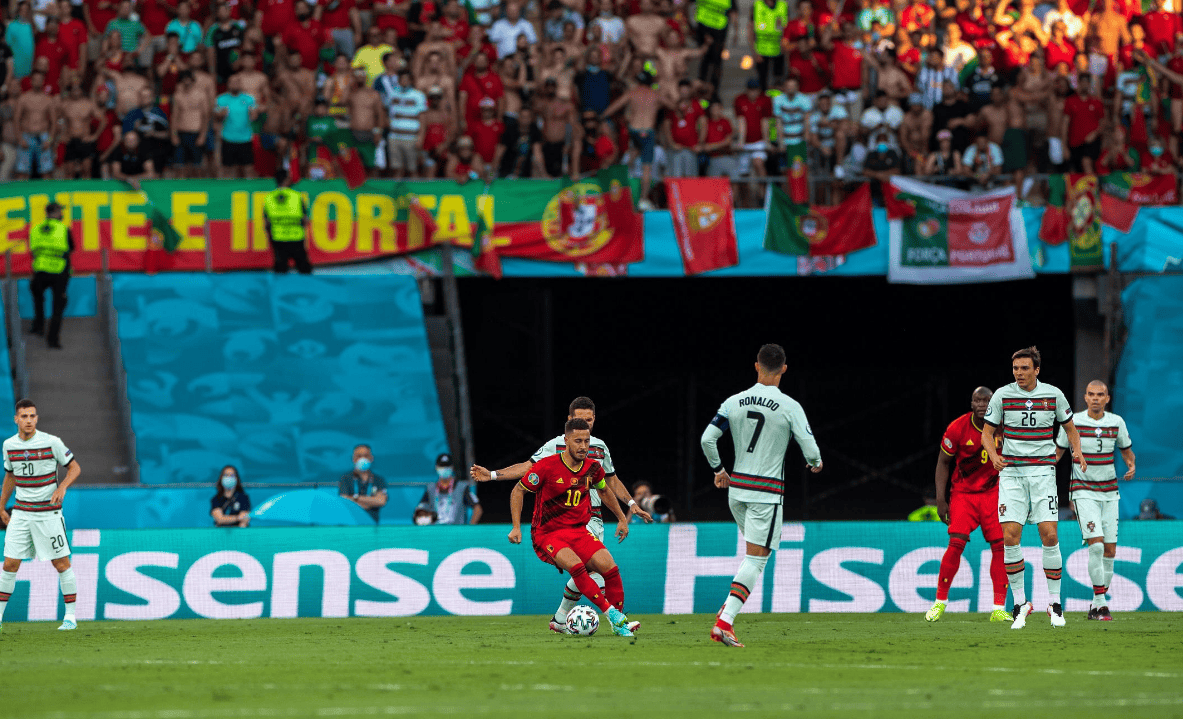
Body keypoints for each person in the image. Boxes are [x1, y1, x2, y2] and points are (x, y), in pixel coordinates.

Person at [471, 396, 650, 633]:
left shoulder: (597, 453)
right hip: (553, 528)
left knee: (606, 569)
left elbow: (608, 484)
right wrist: (494, 476)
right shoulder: (551, 453)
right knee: (584, 570)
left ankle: (584, 620)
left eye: (589, 421)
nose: (584, 442)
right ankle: (611, 617)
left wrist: (626, 509)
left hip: (587, 520)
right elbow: (526, 472)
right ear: (568, 424)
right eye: (579, 423)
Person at [701, 343, 822, 647]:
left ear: (756, 365)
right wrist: (816, 462)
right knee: (756, 559)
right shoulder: (789, 405)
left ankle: (726, 610)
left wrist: (719, 470)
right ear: (784, 369)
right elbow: (810, 448)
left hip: (737, 491)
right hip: (765, 494)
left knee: (755, 556)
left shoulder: (734, 401)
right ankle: (724, 622)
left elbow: (707, 439)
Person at [982, 346, 1086, 630]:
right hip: (1012, 474)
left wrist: (1077, 451)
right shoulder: (1002, 395)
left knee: (1049, 534)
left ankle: (1054, 604)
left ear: (1036, 370)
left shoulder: (1053, 394)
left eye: (1025, 368)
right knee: (1010, 536)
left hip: (1042, 473)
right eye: (1015, 368)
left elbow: (1070, 428)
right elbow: (987, 433)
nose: (1019, 373)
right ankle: (1020, 604)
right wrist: (993, 455)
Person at [507, 417, 636, 637]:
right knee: (577, 568)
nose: (583, 446)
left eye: (586, 441)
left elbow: (604, 490)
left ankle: (618, 624)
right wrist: (516, 527)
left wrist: (622, 518)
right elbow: (518, 490)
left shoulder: (593, 468)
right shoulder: (546, 466)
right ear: (566, 441)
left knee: (611, 569)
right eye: (578, 441)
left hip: (578, 531)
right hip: (548, 533)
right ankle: (612, 614)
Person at [925, 387, 1011, 623]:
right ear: (971, 403)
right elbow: (943, 463)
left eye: (986, 400)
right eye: (977, 400)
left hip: (994, 493)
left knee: (1000, 546)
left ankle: (998, 608)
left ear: (994, 403)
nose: (982, 404)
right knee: (956, 543)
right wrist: (941, 500)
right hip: (964, 494)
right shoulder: (957, 428)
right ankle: (940, 602)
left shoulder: (1005, 426)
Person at [0, 398, 83, 632]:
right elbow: (10, 476)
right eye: (24, 416)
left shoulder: (51, 442)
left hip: (48, 514)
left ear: (37, 418)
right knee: (10, 564)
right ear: (16, 419)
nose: (29, 420)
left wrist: (62, 487)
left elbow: (75, 467)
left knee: (61, 563)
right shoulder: (9, 445)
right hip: (21, 513)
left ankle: (70, 617)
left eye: (32, 416)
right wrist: (1, 506)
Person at [1054, 380, 1134, 621]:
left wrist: (1131, 464)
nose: (1096, 398)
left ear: (1107, 399)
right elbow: (1057, 452)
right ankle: (1101, 604)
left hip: (1110, 492)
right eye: (1091, 394)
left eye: (1100, 394)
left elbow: (1126, 450)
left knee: (1110, 551)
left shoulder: (1116, 422)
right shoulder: (1073, 422)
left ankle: (1096, 603)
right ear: (1085, 397)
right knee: (1096, 546)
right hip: (1083, 491)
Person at [28, 202, 74, 350]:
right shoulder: (63, 229)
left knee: (38, 298)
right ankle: (52, 340)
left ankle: (39, 327)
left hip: (40, 271)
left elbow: (32, 249)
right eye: (60, 211)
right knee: (58, 306)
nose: (62, 214)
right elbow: (71, 248)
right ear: (55, 212)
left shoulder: (35, 229)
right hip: (59, 272)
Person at [263, 168, 312, 274]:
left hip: (278, 238)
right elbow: (305, 219)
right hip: (296, 237)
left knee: (280, 271)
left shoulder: (269, 198)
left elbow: (266, 222)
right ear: (286, 180)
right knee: (304, 270)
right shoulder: (296, 196)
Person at [414, 453, 482, 525]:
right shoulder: (431, 488)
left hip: (456, 530)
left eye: (447, 466)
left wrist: (470, 528)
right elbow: (420, 510)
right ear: (436, 468)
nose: (444, 469)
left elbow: (478, 509)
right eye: (441, 466)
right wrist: (425, 518)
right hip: (436, 530)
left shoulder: (462, 487)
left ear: (452, 468)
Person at [215, 75, 259, 178]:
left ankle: (248, 187)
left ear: (240, 84)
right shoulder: (221, 99)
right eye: (232, 82)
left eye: (237, 82)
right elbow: (216, 117)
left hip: (245, 138)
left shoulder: (249, 99)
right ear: (228, 84)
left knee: (248, 168)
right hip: (228, 138)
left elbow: (254, 116)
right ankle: (228, 188)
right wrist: (221, 114)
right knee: (227, 168)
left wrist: (254, 113)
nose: (234, 85)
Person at [339, 444, 387, 522]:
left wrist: (355, 498)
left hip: (372, 523)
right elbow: (344, 501)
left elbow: (381, 501)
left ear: (371, 458)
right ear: (353, 459)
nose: (362, 459)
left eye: (366, 456)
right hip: (352, 523)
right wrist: (371, 502)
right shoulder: (345, 478)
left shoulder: (378, 479)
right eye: (359, 456)